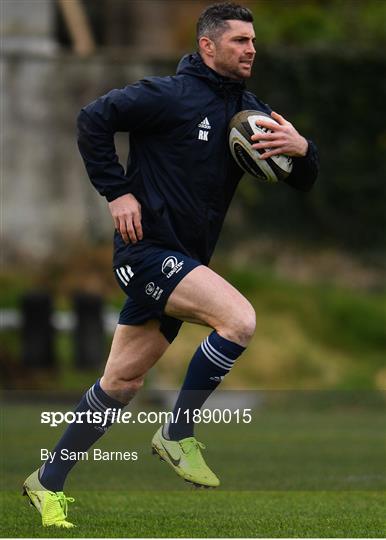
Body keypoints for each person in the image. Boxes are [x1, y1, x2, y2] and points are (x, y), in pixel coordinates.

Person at [23, 2, 319, 528]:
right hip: (145, 252)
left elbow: (300, 176)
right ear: (208, 46)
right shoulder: (167, 95)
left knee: (121, 383)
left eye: (253, 41)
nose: (252, 49)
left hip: (183, 260)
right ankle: (177, 433)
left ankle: (46, 482)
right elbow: (92, 119)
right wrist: (117, 194)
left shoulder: (248, 111)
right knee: (239, 320)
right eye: (239, 41)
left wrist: (303, 150)